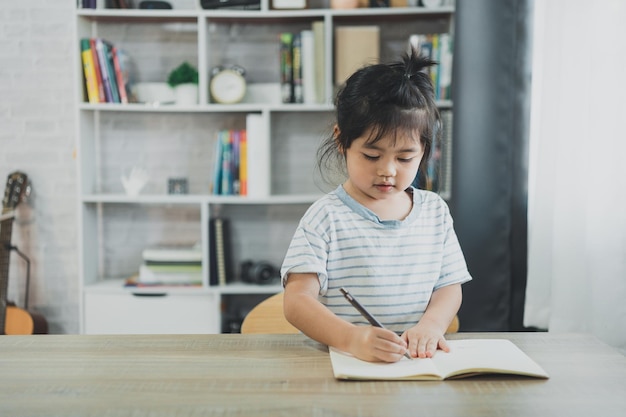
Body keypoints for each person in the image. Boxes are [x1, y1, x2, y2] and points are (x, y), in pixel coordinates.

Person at [280, 49, 472, 363]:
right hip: (347, 361)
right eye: (372, 156)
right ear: (341, 141)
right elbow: (297, 301)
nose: (388, 170)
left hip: (414, 365)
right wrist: (351, 338)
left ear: (424, 149)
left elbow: (449, 286)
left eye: (405, 157)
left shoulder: (434, 212)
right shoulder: (326, 217)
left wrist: (432, 325)